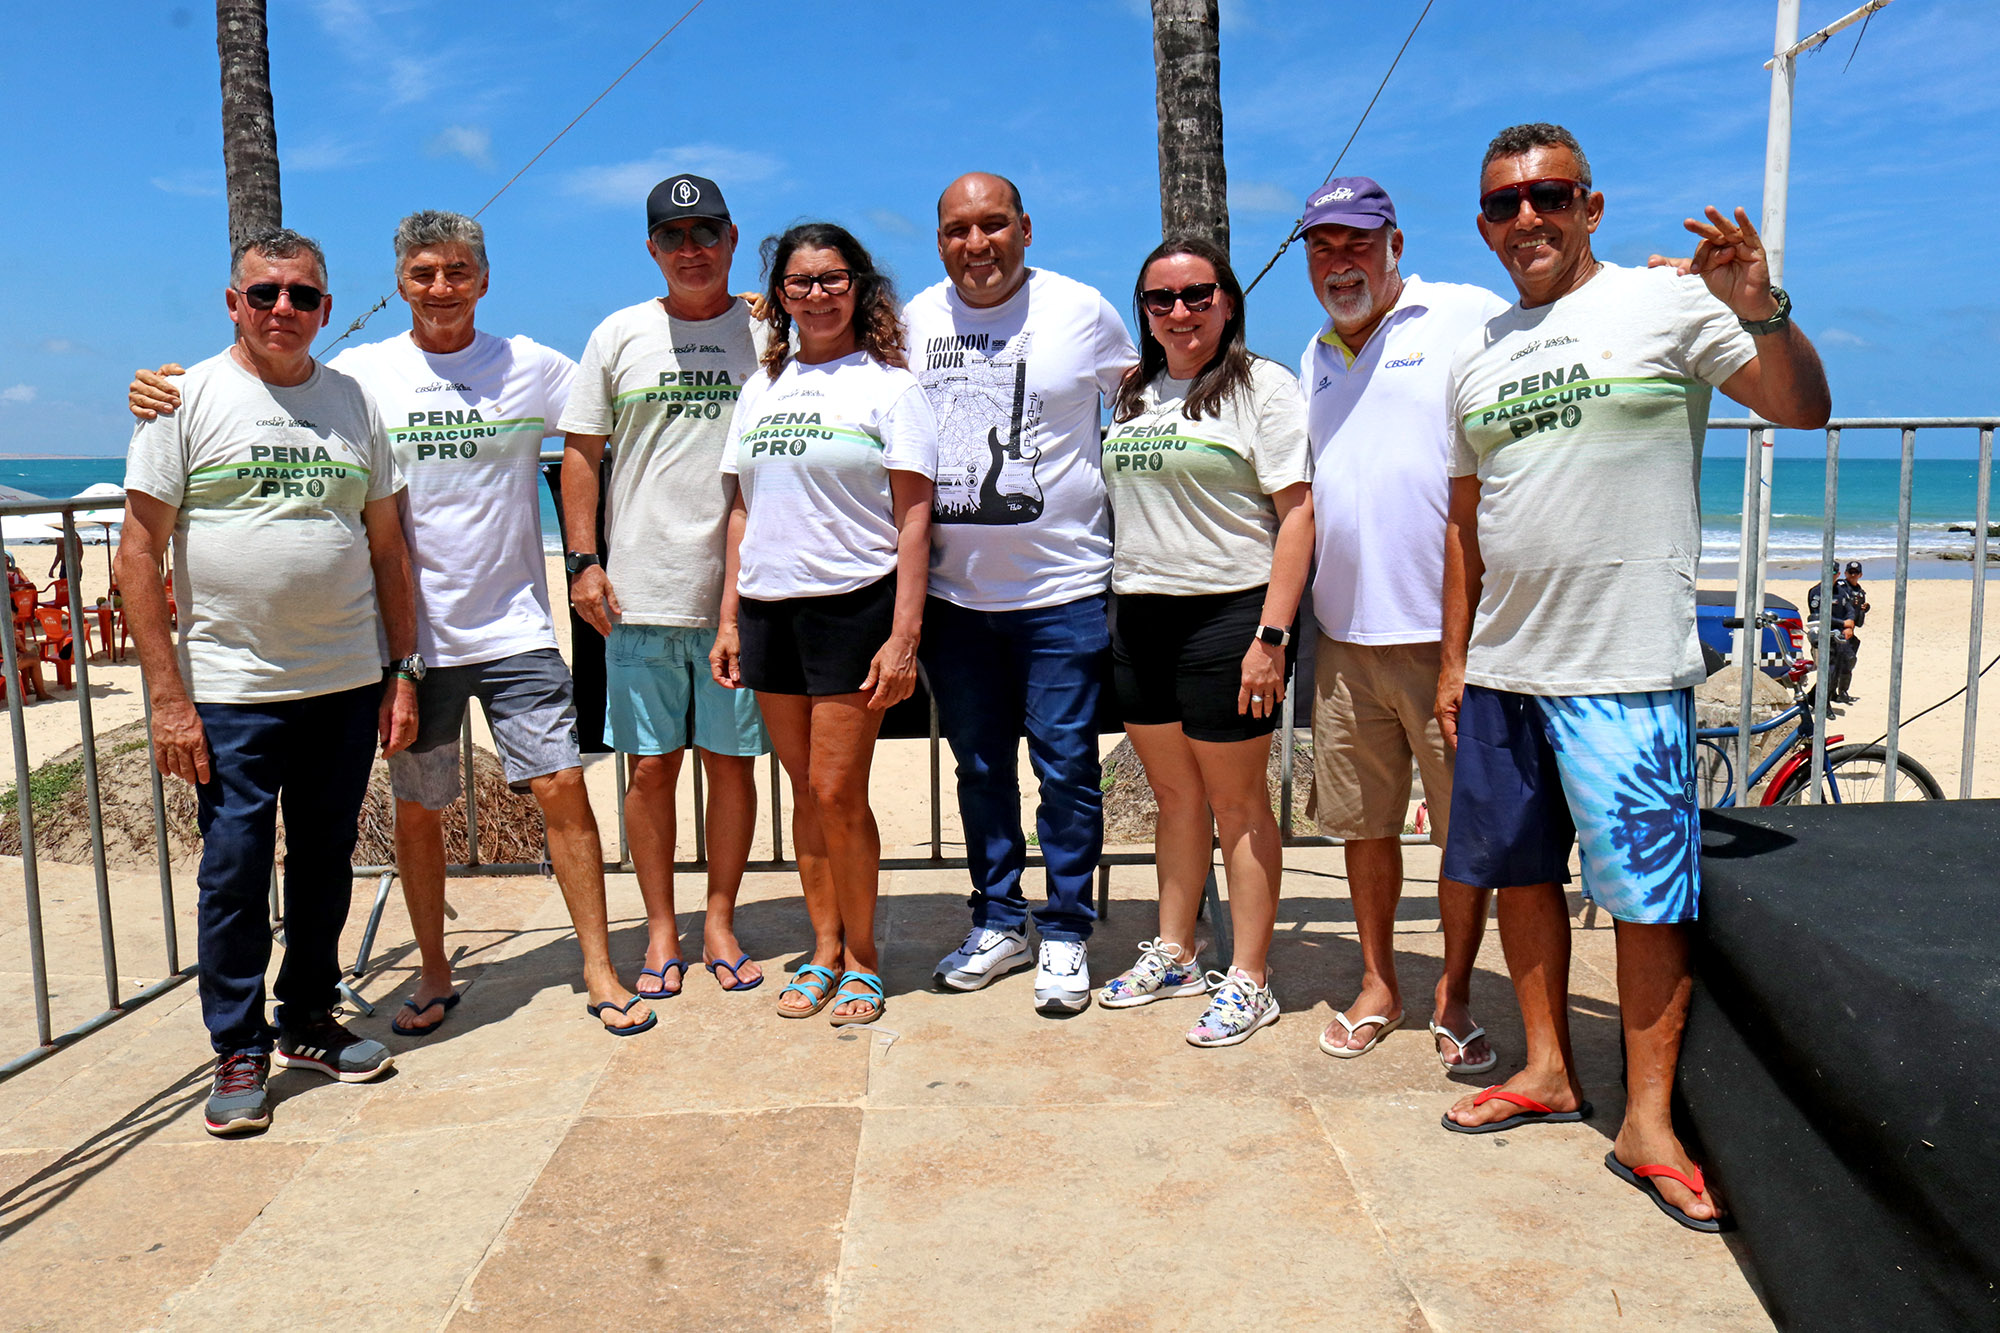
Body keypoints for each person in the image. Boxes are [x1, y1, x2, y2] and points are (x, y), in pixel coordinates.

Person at [1436, 123, 1831, 1233]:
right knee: (1520, 876)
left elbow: (1798, 409)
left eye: (1549, 196)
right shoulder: (1478, 354)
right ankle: (1549, 1068)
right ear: (1483, 224)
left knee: (1647, 899)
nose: (1528, 219)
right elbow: (1464, 530)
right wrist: (1456, 662)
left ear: (1590, 206)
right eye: (1506, 204)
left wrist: (1758, 304)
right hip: (1506, 671)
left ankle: (1646, 1120)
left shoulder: (1667, 306)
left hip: (1622, 666)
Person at [129, 212, 653, 1038]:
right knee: (418, 809)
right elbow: (272, 378)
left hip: (516, 626)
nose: (440, 288)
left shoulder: (535, 367)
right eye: (422, 273)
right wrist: (161, 388)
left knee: (562, 789)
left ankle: (598, 965)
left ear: (484, 279)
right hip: (407, 647)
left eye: (457, 271)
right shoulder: (363, 374)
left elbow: (635, 398)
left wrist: (738, 320)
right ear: (397, 282)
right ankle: (435, 974)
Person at [117, 227, 419, 1136]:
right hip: (231, 691)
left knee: (326, 859)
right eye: (265, 293)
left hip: (341, 680)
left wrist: (399, 670)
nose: (283, 309)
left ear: (326, 306)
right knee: (237, 869)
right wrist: (169, 699)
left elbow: (387, 546)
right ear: (233, 302)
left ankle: (311, 1017)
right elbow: (136, 555)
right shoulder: (183, 400)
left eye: (302, 295)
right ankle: (237, 1043)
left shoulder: (354, 403)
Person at [906, 172, 1139, 1014]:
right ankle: (999, 920)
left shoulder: (1082, 310)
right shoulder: (914, 322)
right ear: (940, 240)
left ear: (1026, 229)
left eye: (994, 225)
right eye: (959, 230)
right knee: (978, 766)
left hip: (1065, 590)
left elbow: (1151, 397)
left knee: (1068, 770)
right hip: (954, 600)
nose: (978, 245)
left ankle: (1069, 929)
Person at [1294, 177, 1512, 1071]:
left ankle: (1453, 992)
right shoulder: (1314, 355)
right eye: (1322, 248)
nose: (1339, 264)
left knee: (1462, 833)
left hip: (1443, 638)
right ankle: (1380, 980)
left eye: (1356, 243)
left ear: (1394, 243)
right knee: (1363, 825)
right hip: (1344, 640)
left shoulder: (1463, 314)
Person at [709, 222, 936, 1025]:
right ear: (780, 297)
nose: (818, 294)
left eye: (834, 278)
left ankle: (865, 959)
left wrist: (903, 635)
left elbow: (915, 518)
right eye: (800, 282)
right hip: (771, 611)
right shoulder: (759, 388)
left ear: (860, 287)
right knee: (805, 792)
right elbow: (743, 510)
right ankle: (823, 947)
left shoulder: (890, 387)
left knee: (840, 790)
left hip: (855, 606)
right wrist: (730, 617)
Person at [1093, 237, 1311, 1046]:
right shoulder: (1130, 392)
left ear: (1227, 300)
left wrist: (1273, 636)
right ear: (1144, 310)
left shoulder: (1263, 387)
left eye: (1197, 294)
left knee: (1238, 804)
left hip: (1229, 618)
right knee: (1174, 799)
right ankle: (1177, 950)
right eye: (1161, 299)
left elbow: (1298, 515)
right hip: (1140, 617)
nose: (1180, 312)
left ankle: (1250, 975)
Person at [560, 175, 771, 1001]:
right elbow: (581, 454)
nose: (692, 249)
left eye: (707, 232)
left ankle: (719, 917)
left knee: (731, 766)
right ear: (652, 247)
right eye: (674, 236)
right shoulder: (618, 334)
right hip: (639, 594)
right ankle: (659, 926)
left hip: (744, 594)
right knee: (649, 771)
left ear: (730, 238)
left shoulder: (768, 331)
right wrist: (582, 561)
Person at [1806, 560, 1868, 703]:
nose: (1853, 576)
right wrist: (1843, 623)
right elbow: (1817, 616)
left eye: (1833, 572)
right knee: (1829, 671)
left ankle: (1838, 693)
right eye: (1827, 571)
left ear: (1838, 573)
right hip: (1824, 635)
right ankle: (1821, 701)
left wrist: (1848, 625)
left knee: (1846, 662)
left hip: (1842, 635)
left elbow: (1851, 611)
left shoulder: (1842, 592)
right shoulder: (1816, 592)